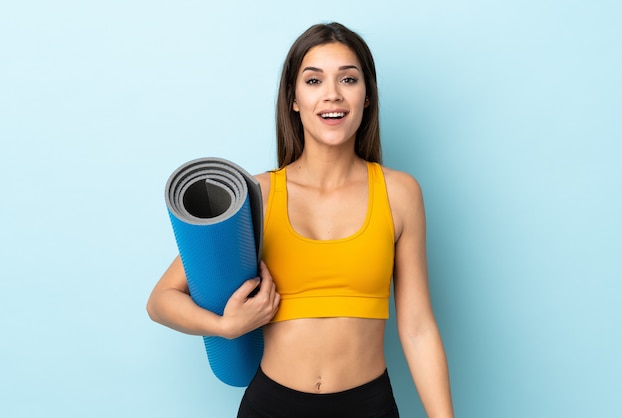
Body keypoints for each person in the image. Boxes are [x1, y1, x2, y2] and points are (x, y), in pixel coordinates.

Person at [147, 22, 454, 418]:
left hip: (368, 406)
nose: (332, 94)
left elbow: (417, 327)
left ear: (367, 96)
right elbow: (160, 301)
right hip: (270, 406)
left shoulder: (400, 193)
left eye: (348, 79)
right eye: (314, 80)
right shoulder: (257, 195)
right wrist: (226, 326)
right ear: (293, 98)